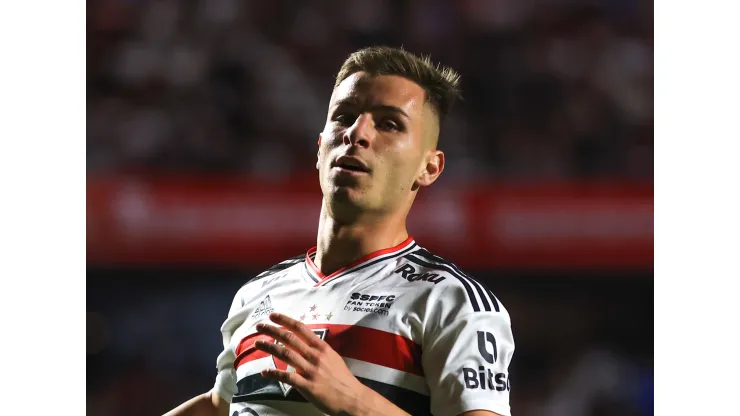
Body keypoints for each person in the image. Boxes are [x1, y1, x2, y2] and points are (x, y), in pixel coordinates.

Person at [164, 46, 515, 416]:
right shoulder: (257, 294)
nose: (356, 133)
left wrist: (355, 401)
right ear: (319, 149)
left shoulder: (451, 303)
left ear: (429, 167)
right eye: (344, 117)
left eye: (389, 123)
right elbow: (221, 406)